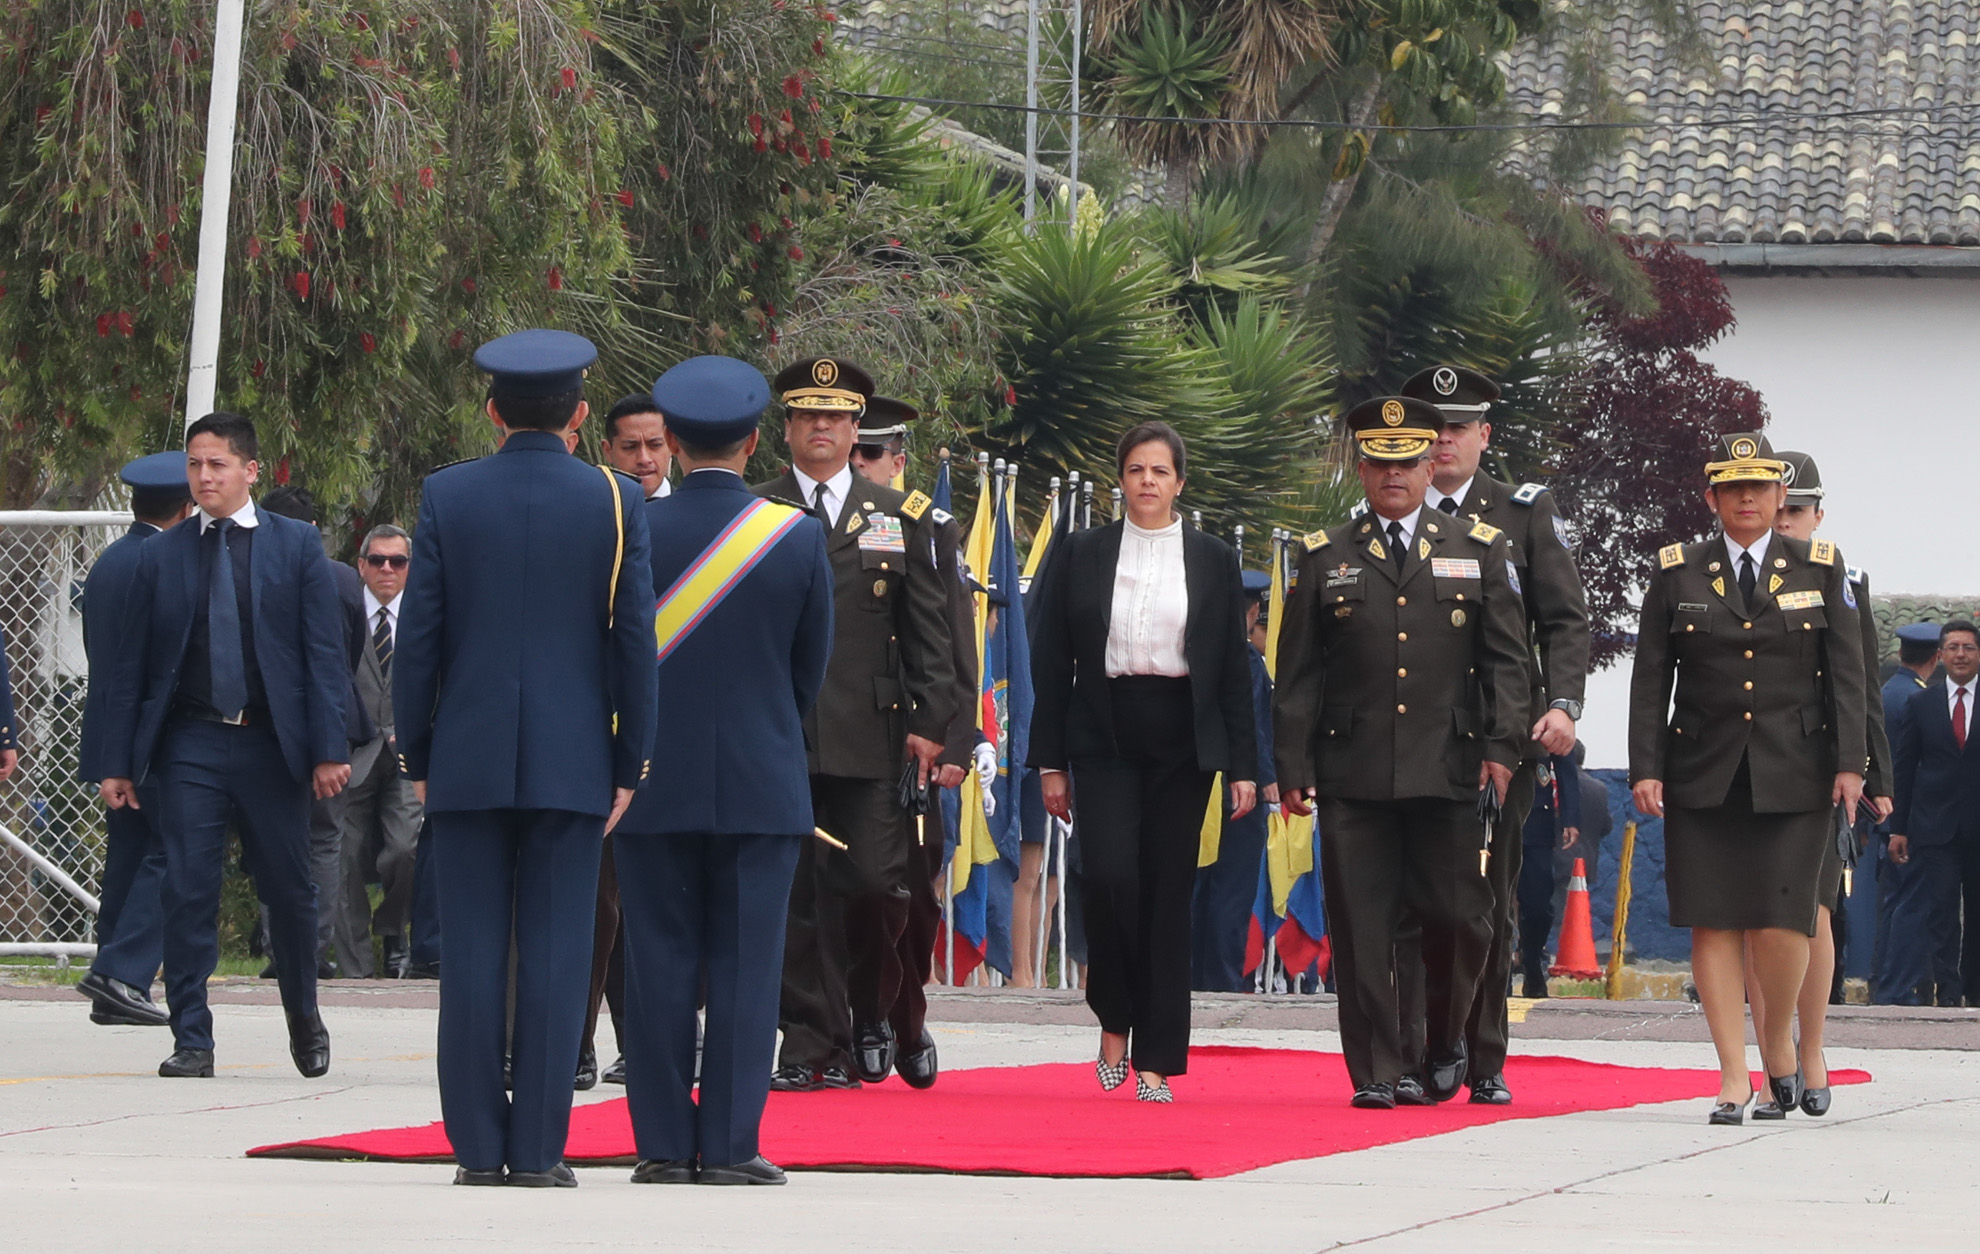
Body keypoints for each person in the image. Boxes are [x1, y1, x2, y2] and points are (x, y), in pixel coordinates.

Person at [394, 329, 658, 1187]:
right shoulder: (616, 501)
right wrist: (631, 761)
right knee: (555, 956)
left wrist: (418, 753)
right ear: (582, 414)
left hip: (466, 758)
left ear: (492, 411)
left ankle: (477, 1150)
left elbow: (420, 640)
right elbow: (633, 643)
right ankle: (539, 1153)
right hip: (576, 760)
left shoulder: (447, 495)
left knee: (471, 957)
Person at [612, 355, 832, 1187]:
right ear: (752, 442)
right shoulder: (796, 534)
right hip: (760, 777)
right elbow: (807, 671)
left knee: (658, 963)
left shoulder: (631, 528)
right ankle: (734, 1146)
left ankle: (664, 1146)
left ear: (667, 440)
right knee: (748, 966)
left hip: (650, 776)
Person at [1274, 396, 1528, 1109]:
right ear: (1362, 469)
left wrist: (1502, 748)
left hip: (1449, 765)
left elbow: (1508, 663)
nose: (1395, 476)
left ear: (1429, 466)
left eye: (1408, 462)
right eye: (1381, 463)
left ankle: (1443, 1042)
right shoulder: (1326, 555)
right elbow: (1297, 674)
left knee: (1458, 915)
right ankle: (1382, 1070)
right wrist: (1291, 767)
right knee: (1362, 926)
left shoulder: (1477, 548)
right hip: (1352, 770)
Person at [96, 412, 353, 1080]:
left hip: (272, 745)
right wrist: (117, 764)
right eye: (195, 465)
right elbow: (131, 669)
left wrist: (330, 748)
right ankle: (192, 1038)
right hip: (190, 744)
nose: (204, 476)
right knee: (186, 888)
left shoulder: (296, 546)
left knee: (291, 891)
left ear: (250, 471)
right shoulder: (162, 554)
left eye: (217, 464)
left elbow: (323, 656)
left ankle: (305, 1018)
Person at [1628, 431, 1866, 1126]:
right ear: (1711, 498)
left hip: (1798, 768)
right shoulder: (1678, 571)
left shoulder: (1820, 565)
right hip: (1702, 766)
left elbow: (1847, 676)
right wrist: (1646, 766)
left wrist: (1852, 764)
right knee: (1715, 920)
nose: (1746, 500)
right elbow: (1651, 680)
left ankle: (1779, 1051)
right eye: (1732, 489)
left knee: (1785, 919)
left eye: (1759, 488)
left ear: (1780, 496)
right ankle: (1735, 1075)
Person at [1029, 420, 1258, 1102]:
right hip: (1103, 734)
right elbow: (1051, 662)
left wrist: (1245, 764)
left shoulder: (1213, 558)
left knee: (1166, 893)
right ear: (1120, 480)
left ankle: (1157, 1056)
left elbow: (1231, 675)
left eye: (1160, 471)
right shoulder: (1082, 553)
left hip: (1183, 739)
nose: (1148, 481)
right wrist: (1049, 762)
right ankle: (1112, 1020)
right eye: (1136, 470)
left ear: (1180, 482)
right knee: (1108, 878)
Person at [757, 359, 955, 1093]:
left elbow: (929, 631)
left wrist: (934, 724)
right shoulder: (756, 509)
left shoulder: (893, 515)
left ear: (853, 429)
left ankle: (875, 1008)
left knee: (878, 887)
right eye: (807, 416)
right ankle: (813, 1046)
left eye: (836, 418)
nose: (822, 428)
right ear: (786, 428)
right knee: (796, 896)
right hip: (776, 733)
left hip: (873, 735)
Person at [1395, 364, 1590, 1106]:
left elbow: (1565, 620)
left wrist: (1564, 705)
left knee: (1488, 902)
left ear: (1484, 434)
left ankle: (1482, 1057)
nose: (1442, 441)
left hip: (1501, 739)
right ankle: (1415, 1053)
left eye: (1457, 427)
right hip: (1413, 738)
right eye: (1431, 428)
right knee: (1414, 904)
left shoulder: (1521, 512)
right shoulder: (1390, 505)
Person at [1745, 450, 1892, 1114]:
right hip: (1748, 765)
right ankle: (1774, 1053)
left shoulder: (1841, 577)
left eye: (1798, 511)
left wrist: (1872, 773)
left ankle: (1811, 1050)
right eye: (1779, 510)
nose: (1787, 522)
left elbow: (1861, 686)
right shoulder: (1735, 575)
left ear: (1818, 515)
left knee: (1816, 912)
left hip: (1821, 768)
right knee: (1756, 918)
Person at [850, 399, 972, 1084]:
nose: (858, 464)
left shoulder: (929, 527)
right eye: (852, 453)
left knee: (915, 897)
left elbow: (955, 643)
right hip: (847, 731)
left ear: (898, 461)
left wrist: (954, 741)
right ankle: (861, 1014)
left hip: (915, 738)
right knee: (850, 890)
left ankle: (908, 1017)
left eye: (870, 455)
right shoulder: (825, 521)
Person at [576, 394, 678, 1089]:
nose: (643, 459)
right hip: (600, 735)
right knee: (597, 900)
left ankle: (653, 1038)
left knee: (660, 902)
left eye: (655, 445)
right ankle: (577, 1039)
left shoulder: (698, 521)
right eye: (629, 447)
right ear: (606, 450)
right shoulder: (592, 512)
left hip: (678, 735)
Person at [73, 452, 192, 1028]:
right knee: (175, 851)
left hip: (110, 737)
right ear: (185, 507)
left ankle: (112, 979)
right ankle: (122, 973)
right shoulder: (165, 561)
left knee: (127, 858)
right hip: (155, 739)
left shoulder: (109, 562)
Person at [258, 484, 375, 980]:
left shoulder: (254, 572)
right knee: (324, 838)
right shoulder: (342, 578)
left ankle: (278, 947)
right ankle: (314, 948)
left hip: (272, 722)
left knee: (276, 835)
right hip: (332, 720)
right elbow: (348, 653)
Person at [336, 524, 423, 979]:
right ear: (362, 566)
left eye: (398, 561)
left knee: (405, 850)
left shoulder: (426, 616)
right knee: (343, 857)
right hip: (351, 754)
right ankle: (355, 967)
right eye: (377, 560)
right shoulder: (344, 611)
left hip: (409, 754)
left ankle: (394, 932)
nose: (387, 569)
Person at [1190, 568, 1278, 992]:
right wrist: (1267, 779)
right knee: (1231, 892)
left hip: (1196, 787)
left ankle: (1190, 979)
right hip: (1238, 792)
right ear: (1254, 611)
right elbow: (1254, 724)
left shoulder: (1195, 655)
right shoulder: (1246, 661)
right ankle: (1222, 982)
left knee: (1196, 888)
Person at [1888, 621, 1980, 1010]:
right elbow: (1905, 768)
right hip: (1935, 828)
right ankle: (1948, 991)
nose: (1961, 654)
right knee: (1941, 913)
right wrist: (1899, 829)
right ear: (1940, 655)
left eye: (1969, 648)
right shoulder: (1921, 703)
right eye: (1954, 647)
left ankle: (1975, 992)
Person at [1874, 622, 1943, 1003]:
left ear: (1900, 654)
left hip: (1887, 817)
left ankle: (1884, 983)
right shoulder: (1916, 699)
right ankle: (1899, 989)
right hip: (1911, 818)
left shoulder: (1888, 692)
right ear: (1936, 658)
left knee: (1893, 905)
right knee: (1912, 906)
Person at [1514, 749, 1580, 999]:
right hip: (1490, 806)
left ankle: (1531, 960)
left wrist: (1570, 818)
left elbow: (1564, 757)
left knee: (1539, 905)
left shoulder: (1547, 710)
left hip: (1535, 818)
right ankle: (1498, 971)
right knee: (1491, 900)